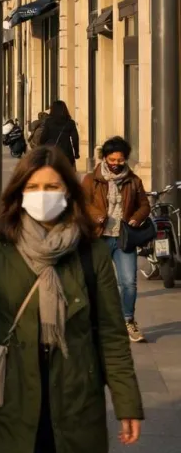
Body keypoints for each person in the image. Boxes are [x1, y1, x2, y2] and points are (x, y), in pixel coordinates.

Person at [0, 146, 143, 453]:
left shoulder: (91, 251)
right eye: (32, 187)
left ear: (69, 192)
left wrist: (127, 403)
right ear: (19, 192)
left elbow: (113, 335)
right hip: (10, 399)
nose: (41, 195)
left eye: (52, 187)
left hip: (76, 398)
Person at [81, 136, 151, 343]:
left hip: (123, 239)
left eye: (120, 160)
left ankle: (128, 320)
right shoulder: (90, 180)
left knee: (129, 283)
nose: (116, 164)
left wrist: (137, 218)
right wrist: (97, 216)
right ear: (104, 158)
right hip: (98, 237)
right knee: (94, 282)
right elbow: (82, 204)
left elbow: (144, 205)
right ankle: (93, 323)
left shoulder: (133, 181)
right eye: (112, 160)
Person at [37, 101, 80, 168]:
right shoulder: (70, 123)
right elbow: (75, 139)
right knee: (69, 175)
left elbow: (43, 138)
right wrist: (76, 153)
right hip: (66, 154)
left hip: (51, 153)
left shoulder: (48, 122)